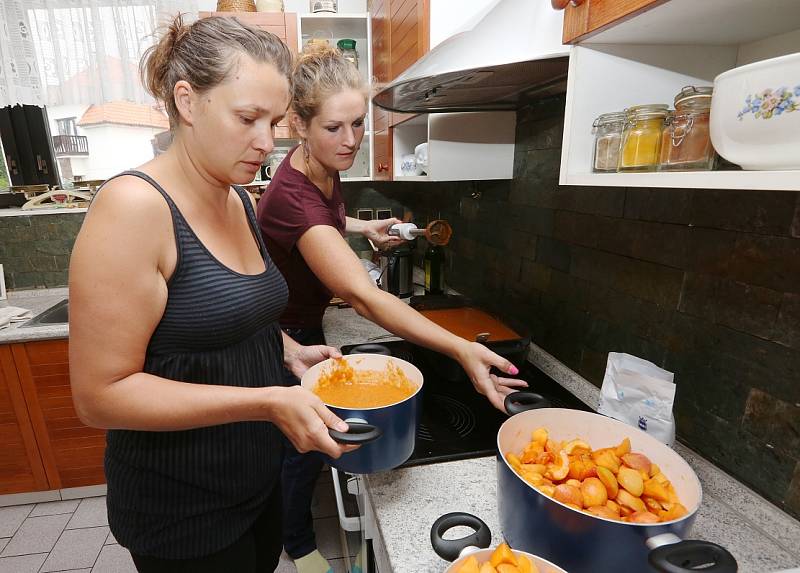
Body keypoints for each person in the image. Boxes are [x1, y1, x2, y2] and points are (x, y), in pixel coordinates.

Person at [68, 15, 357, 573]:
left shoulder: (238, 200)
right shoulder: (134, 208)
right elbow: (99, 396)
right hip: (182, 510)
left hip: (254, 482)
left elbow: (222, 312)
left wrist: (286, 351)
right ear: (188, 101)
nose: (266, 142)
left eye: (273, 121)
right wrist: (267, 402)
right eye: (247, 118)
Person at [257, 45, 529, 573]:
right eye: (335, 127)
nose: (352, 140)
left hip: (302, 319)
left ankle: (294, 532)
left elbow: (321, 226)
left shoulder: (318, 167)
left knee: (309, 437)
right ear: (299, 124)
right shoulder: (293, 194)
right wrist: (460, 347)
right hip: (281, 332)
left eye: (358, 123)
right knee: (300, 443)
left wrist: (360, 228)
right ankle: (296, 544)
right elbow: (364, 296)